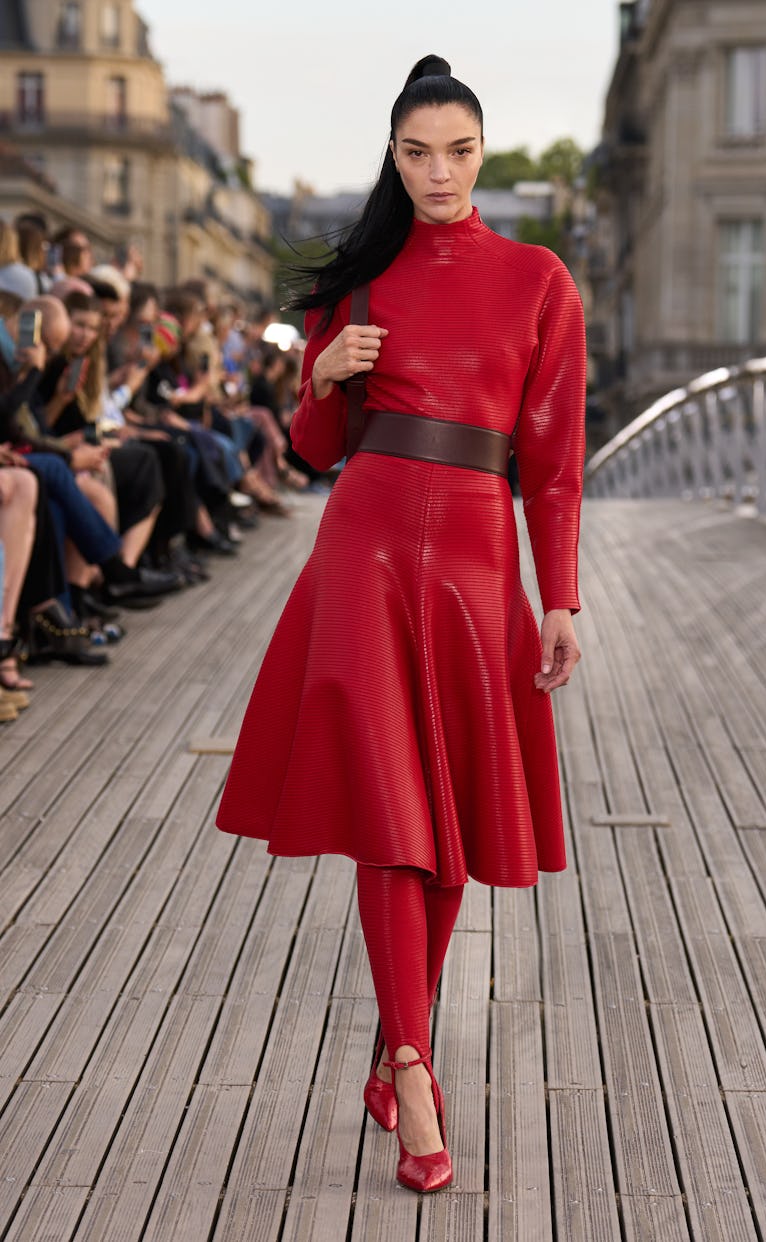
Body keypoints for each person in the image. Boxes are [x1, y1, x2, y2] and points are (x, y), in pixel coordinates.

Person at [216, 54, 586, 1194]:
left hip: (479, 559)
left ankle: (394, 1040)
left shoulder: (538, 280)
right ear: (394, 155)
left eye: (460, 151)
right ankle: (417, 1067)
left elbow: (555, 462)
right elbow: (320, 449)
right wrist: (321, 372)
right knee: (392, 812)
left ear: (482, 152)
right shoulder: (358, 284)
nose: (440, 172)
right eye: (418, 152)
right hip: (366, 547)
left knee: (455, 819)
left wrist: (560, 594)